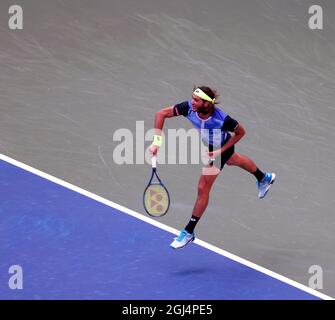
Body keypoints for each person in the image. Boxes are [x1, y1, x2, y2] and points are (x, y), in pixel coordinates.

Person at [149, 86, 276, 249]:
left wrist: (220, 151)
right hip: (213, 146)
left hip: (220, 149)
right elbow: (161, 114)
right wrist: (156, 143)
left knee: (203, 187)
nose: (192, 102)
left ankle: (189, 231)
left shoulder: (222, 119)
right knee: (234, 160)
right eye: (192, 98)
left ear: (207, 104)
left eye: (196, 100)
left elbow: (241, 132)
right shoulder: (188, 108)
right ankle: (264, 178)